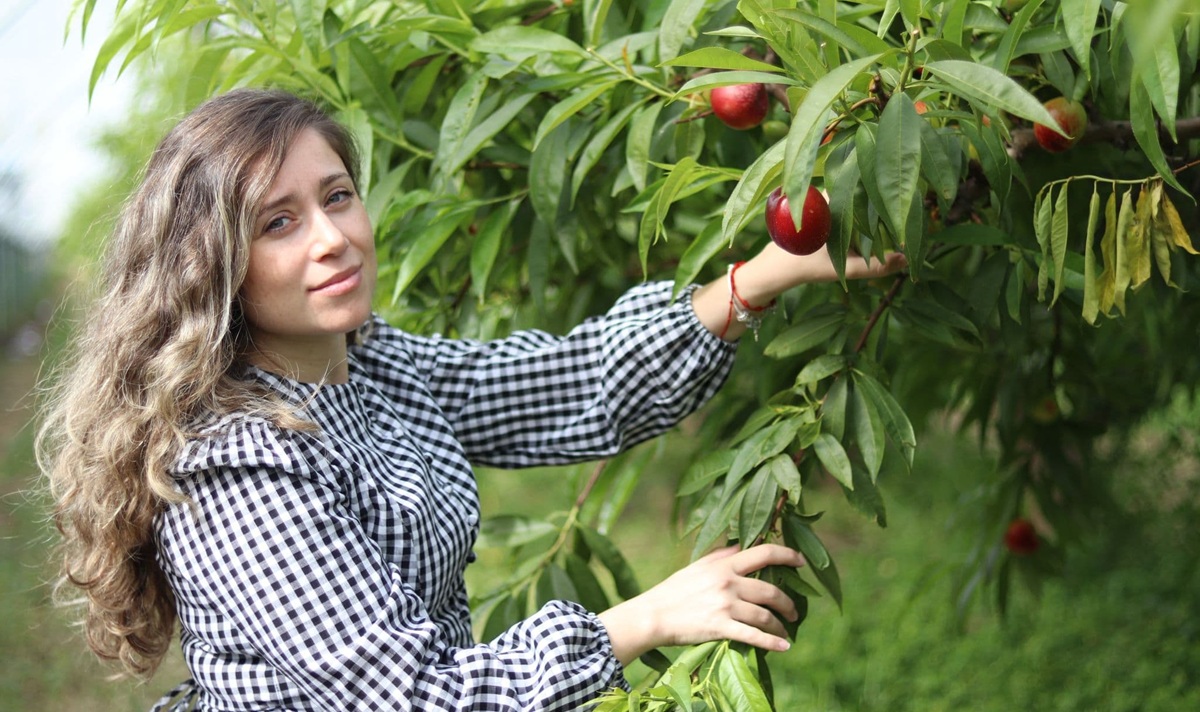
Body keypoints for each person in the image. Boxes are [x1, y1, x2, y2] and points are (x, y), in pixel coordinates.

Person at [37, 88, 906, 711]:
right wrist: (643, 618)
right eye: (279, 221)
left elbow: (570, 384)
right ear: (213, 264)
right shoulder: (234, 461)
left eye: (337, 196)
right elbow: (409, 697)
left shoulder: (368, 362)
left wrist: (763, 274)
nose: (333, 237)